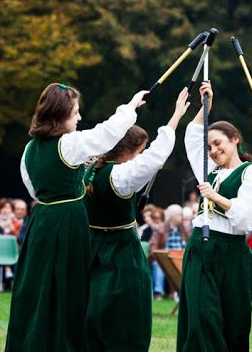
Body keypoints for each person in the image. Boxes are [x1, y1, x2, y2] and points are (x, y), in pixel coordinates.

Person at [5, 83, 148, 351]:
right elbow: (106, 134)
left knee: (37, 287)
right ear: (61, 115)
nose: (80, 118)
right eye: (75, 113)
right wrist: (130, 107)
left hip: (40, 222)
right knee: (68, 290)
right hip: (67, 222)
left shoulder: (29, 150)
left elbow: (34, 190)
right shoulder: (69, 144)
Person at [84, 87, 190, 351]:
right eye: (139, 151)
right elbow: (155, 157)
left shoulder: (87, 170)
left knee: (94, 308)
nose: (141, 156)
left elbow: (150, 160)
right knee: (127, 314)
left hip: (92, 248)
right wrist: (176, 115)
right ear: (129, 152)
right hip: (120, 252)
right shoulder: (120, 176)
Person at [178, 82, 252, 351]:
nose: (212, 151)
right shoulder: (209, 170)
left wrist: (216, 197)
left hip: (233, 254)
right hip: (201, 249)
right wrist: (205, 107)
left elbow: (249, 219)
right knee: (201, 319)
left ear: (235, 139)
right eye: (209, 147)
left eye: (218, 143)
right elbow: (192, 136)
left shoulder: (251, 173)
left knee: (233, 325)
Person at [148, 203, 192, 300]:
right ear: (172, 217)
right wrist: (161, 255)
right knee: (158, 264)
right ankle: (157, 293)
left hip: (181, 258)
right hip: (165, 258)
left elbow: (191, 246)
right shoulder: (160, 228)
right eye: (180, 214)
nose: (182, 217)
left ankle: (180, 292)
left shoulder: (186, 229)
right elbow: (152, 247)